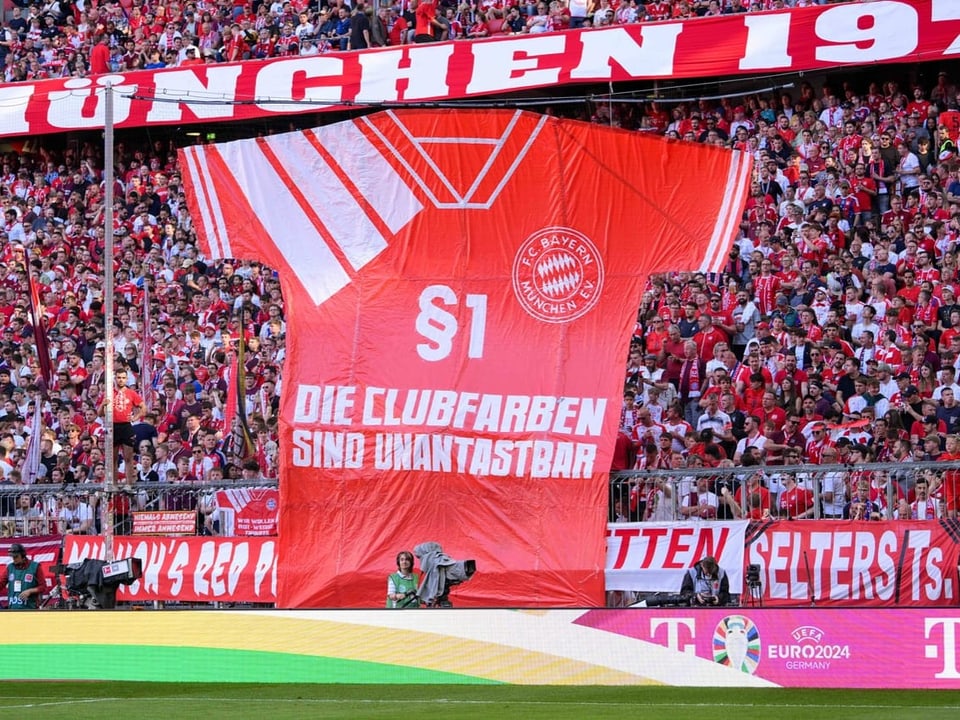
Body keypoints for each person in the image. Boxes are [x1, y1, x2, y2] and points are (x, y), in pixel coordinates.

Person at [0, 543, 47, 610]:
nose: (14, 559)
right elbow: (1, 584)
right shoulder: (10, 568)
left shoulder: (35, 567)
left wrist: (30, 591)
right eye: (12, 557)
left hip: (30, 608)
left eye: (16, 556)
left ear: (23, 555)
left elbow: (43, 587)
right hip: (13, 609)